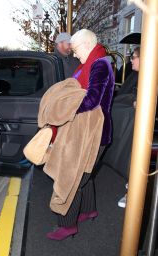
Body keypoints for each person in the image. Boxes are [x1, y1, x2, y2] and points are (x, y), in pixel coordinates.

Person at [46, 29, 115, 240]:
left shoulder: (100, 65)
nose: (74, 54)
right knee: (85, 173)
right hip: (93, 131)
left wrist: (64, 110)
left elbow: (92, 99)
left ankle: (67, 225)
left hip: (94, 132)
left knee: (73, 177)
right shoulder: (94, 63)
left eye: (75, 49)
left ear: (86, 45)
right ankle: (88, 210)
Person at [101, 47, 140, 208]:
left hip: (140, 127)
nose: (131, 60)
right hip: (132, 122)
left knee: (133, 155)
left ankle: (133, 191)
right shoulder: (136, 74)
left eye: (134, 57)